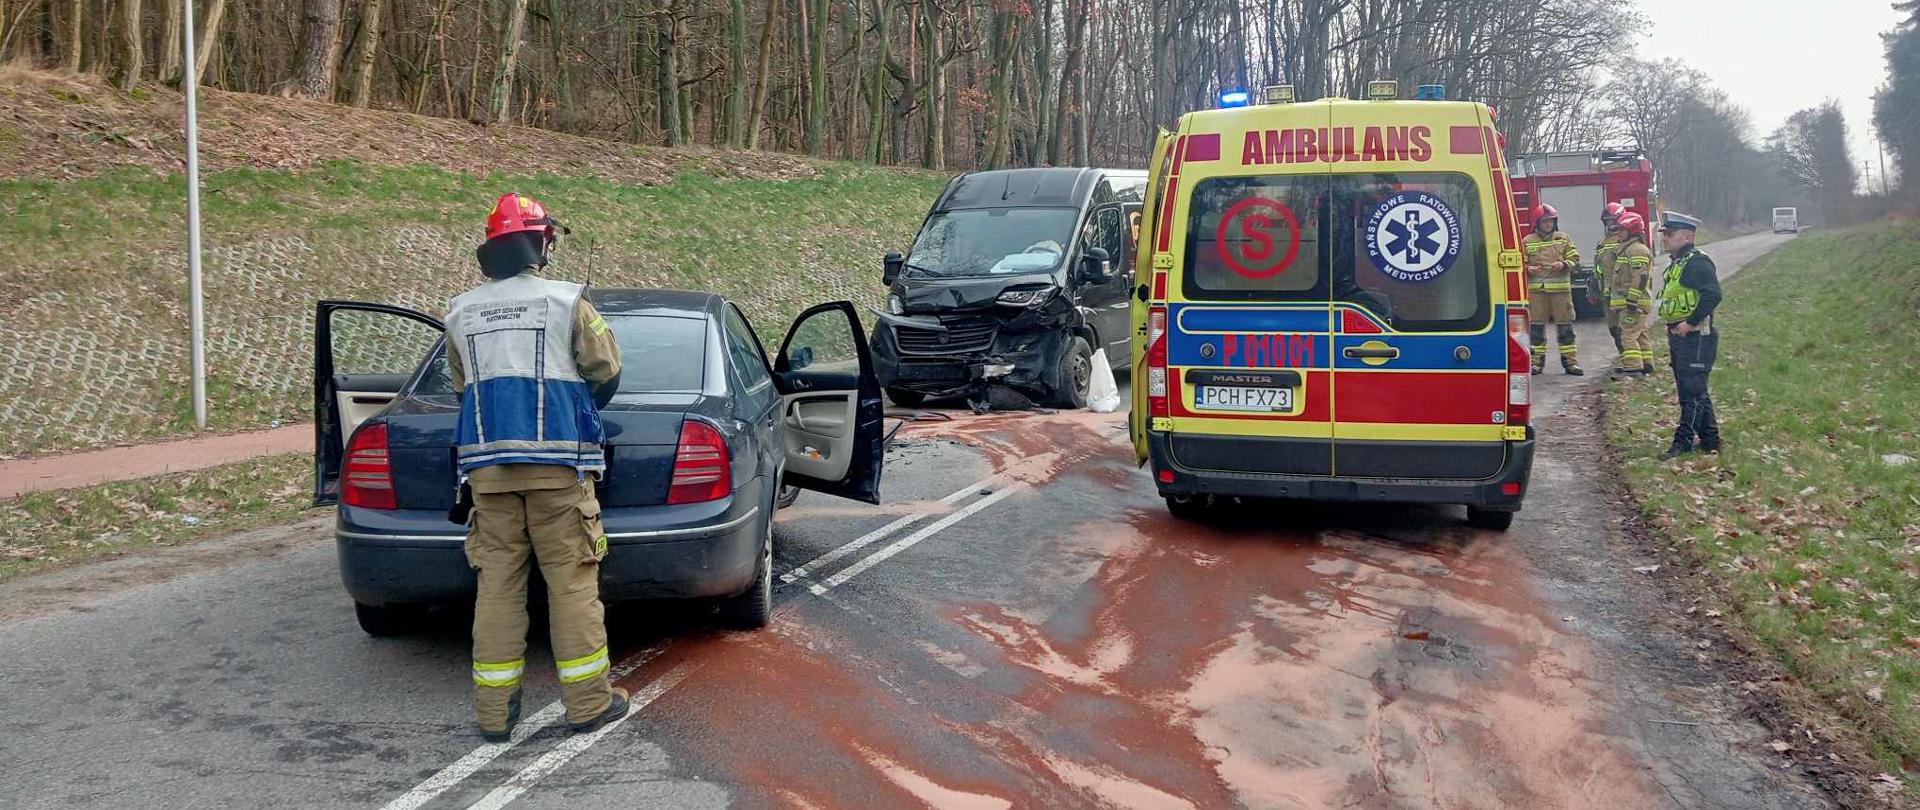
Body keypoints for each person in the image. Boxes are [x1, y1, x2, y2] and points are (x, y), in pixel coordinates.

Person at [446, 193, 628, 741]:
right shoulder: (567, 302)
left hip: (488, 474)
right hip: (558, 472)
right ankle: (589, 704)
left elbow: (462, 387)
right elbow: (607, 369)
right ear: (540, 242)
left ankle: (494, 715)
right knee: (571, 586)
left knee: (497, 590)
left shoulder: (460, 311)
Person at [1655, 211, 1722, 458]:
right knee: (1695, 390)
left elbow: (1713, 294)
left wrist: (1690, 322)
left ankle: (1682, 443)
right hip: (1682, 337)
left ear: (1686, 236)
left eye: (1669, 234)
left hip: (1697, 337)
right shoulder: (1680, 262)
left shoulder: (1697, 263)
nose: (1665, 239)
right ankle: (1710, 440)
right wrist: (1673, 323)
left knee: (1691, 393)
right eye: (1665, 234)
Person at [1521, 204, 1583, 375]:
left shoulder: (1563, 238)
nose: (1548, 224)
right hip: (1537, 293)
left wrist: (1563, 264)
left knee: (1565, 328)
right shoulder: (1527, 241)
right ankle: (1536, 364)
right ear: (1538, 223)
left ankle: (1571, 363)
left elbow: (1575, 259)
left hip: (1561, 293)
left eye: (1551, 221)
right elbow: (1521, 262)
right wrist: (1527, 269)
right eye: (1545, 221)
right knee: (1536, 329)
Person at [1596, 202, 1626, 351]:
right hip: (1607, 294)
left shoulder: (1626, 241)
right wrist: (1595, 285)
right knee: (1613, 329)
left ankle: (1636, 364)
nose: (1610, 224)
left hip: (1621, 293)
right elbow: (1599, 267)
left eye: (1613, 220)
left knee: (1625, 330)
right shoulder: (1602, 243)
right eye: (1607, 221)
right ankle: (1625, 358)